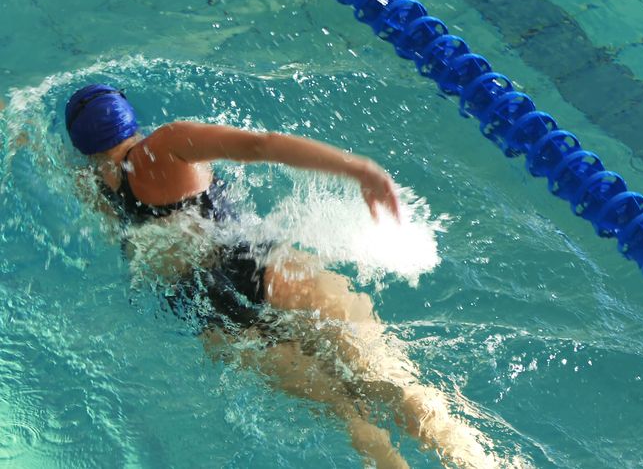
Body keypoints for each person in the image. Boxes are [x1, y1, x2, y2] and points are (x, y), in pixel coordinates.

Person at [65, 84, 500, 469]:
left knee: (350, 417)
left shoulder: (93, 188)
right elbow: (261, 145)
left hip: (205, 311)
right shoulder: (167, 145)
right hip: (259, 266)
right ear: (128, 116)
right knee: (388, 381)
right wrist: (359, 168)